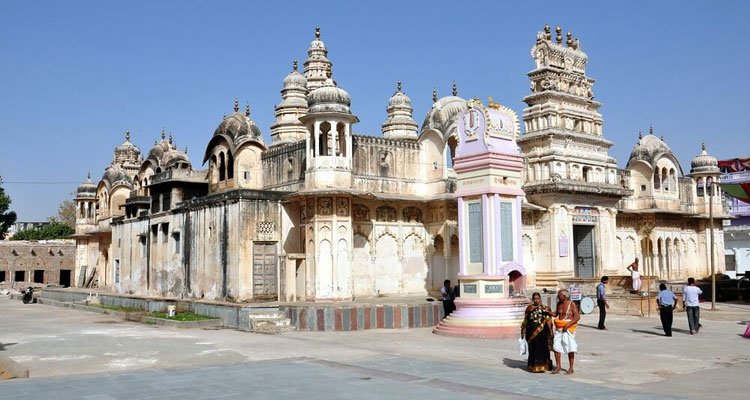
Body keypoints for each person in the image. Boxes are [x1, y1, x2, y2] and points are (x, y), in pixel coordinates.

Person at [520, 292, 553, 372]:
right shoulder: (529, 308)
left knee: (542, 348)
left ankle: (543, 366)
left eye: (538, 298)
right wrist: (522, 330)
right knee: (532, 349)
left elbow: (548, 320)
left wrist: (551, 331)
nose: (536, 300)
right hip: (530, 331)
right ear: (532, 299)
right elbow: (525, 320)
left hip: (542, 332)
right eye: (535, 298)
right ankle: (533, 366)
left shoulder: (545, 308)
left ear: (540, 299)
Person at [550, 289, 580, 374]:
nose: (557, 297)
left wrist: (567, 325)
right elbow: (555, 314)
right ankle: (558, 366)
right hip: (559, 329)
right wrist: (548, 311)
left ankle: (571, 367)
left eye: (559, 295)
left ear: (564, 296)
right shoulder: (559, 304)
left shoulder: (572, 304)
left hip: (568, 329)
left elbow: (577, 317)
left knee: (570, 348)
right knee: (556, 347)